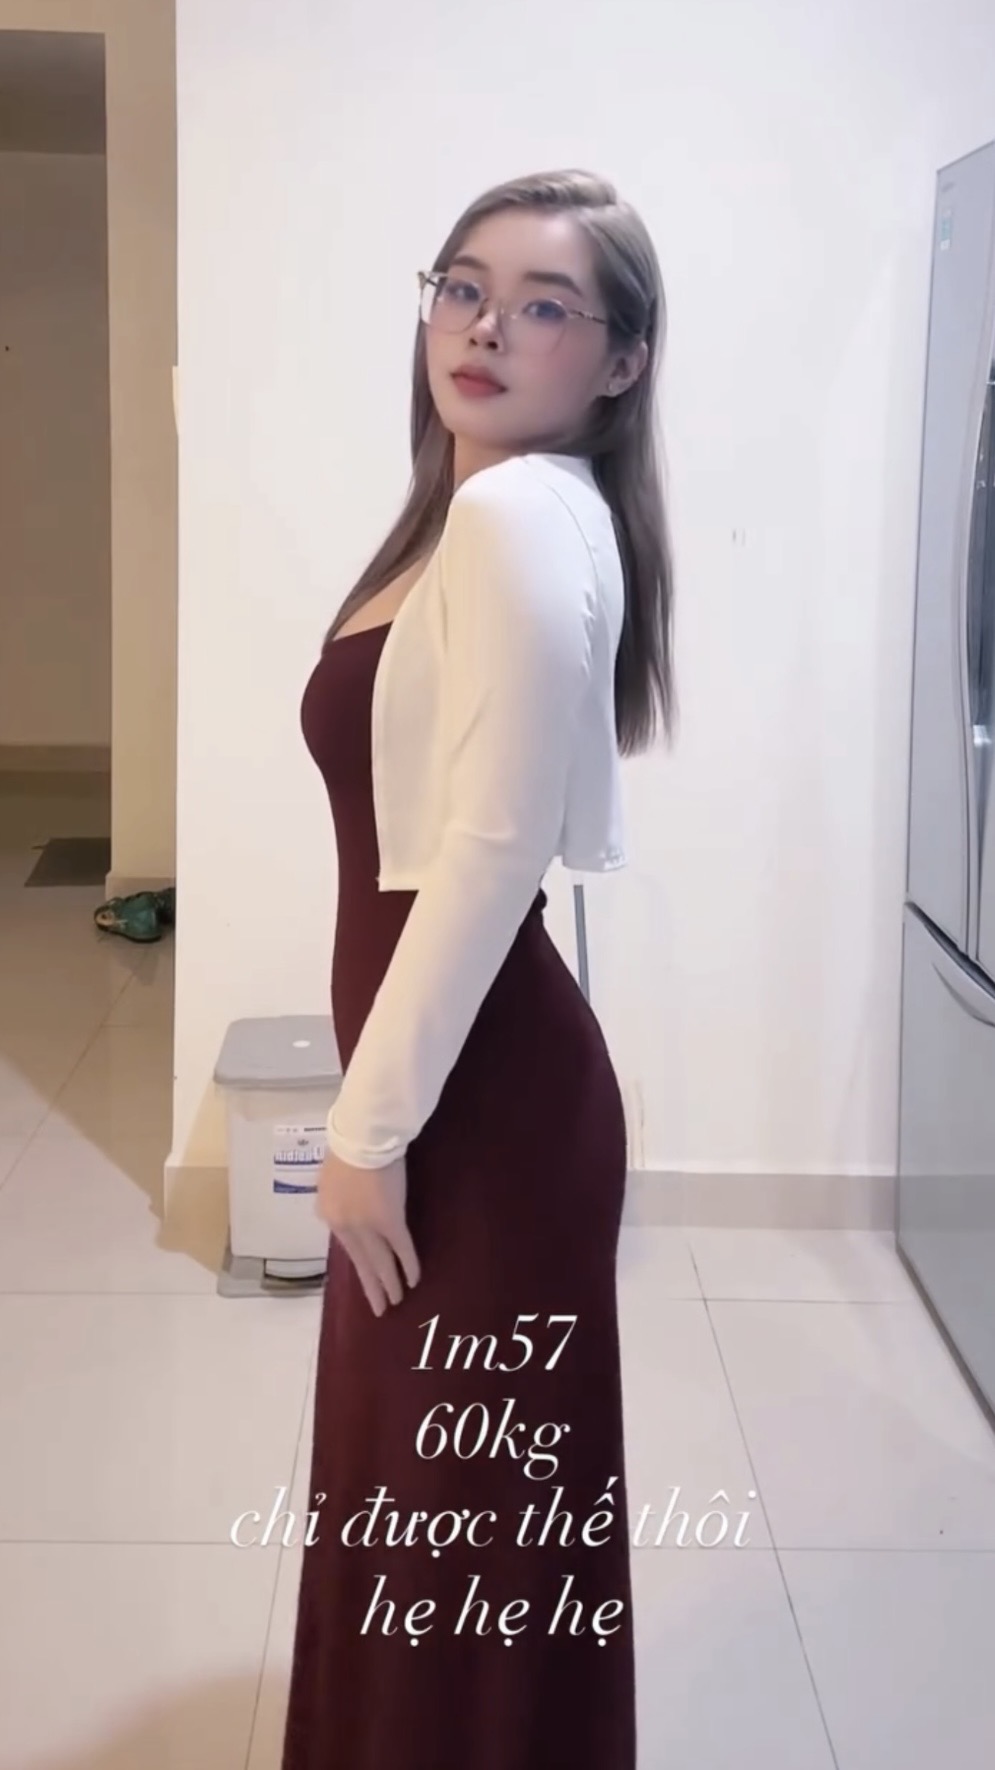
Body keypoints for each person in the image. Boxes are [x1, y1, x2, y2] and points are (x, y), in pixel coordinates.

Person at [285, 167, 675, 1770]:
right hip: (470, 1088)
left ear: (622, 358)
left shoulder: (517, 513)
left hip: (476, 1118)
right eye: (463, 287)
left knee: (454, 1521)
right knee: (443, 1513)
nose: (487, 327)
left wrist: (367, 1129)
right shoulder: (482, 509)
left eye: (543, 304)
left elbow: (495, 847)